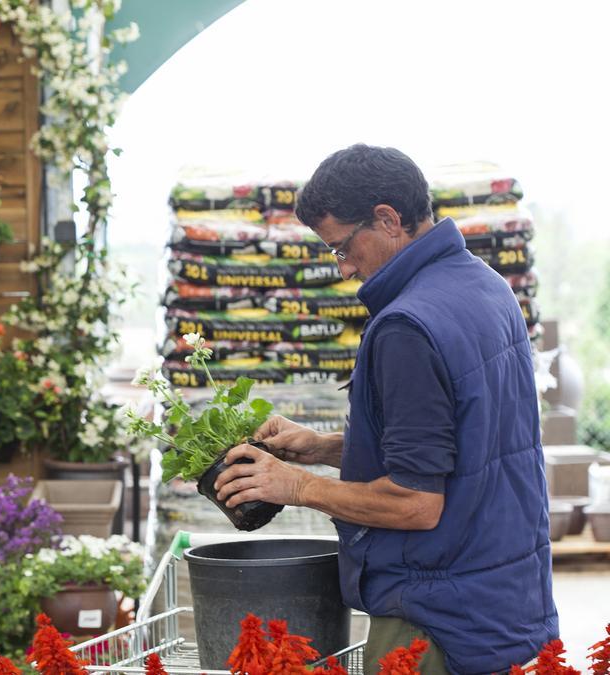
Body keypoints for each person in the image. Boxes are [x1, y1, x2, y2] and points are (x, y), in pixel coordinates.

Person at [213, 144, 557, 674]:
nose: (345, 267)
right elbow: (460, 448)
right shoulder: (486, 286)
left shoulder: (406, 327)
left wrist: (296, 486)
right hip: (504, 599)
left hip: (436, 618)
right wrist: (322, 448)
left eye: (343, 247)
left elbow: (417, 503)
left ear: (388, 219)